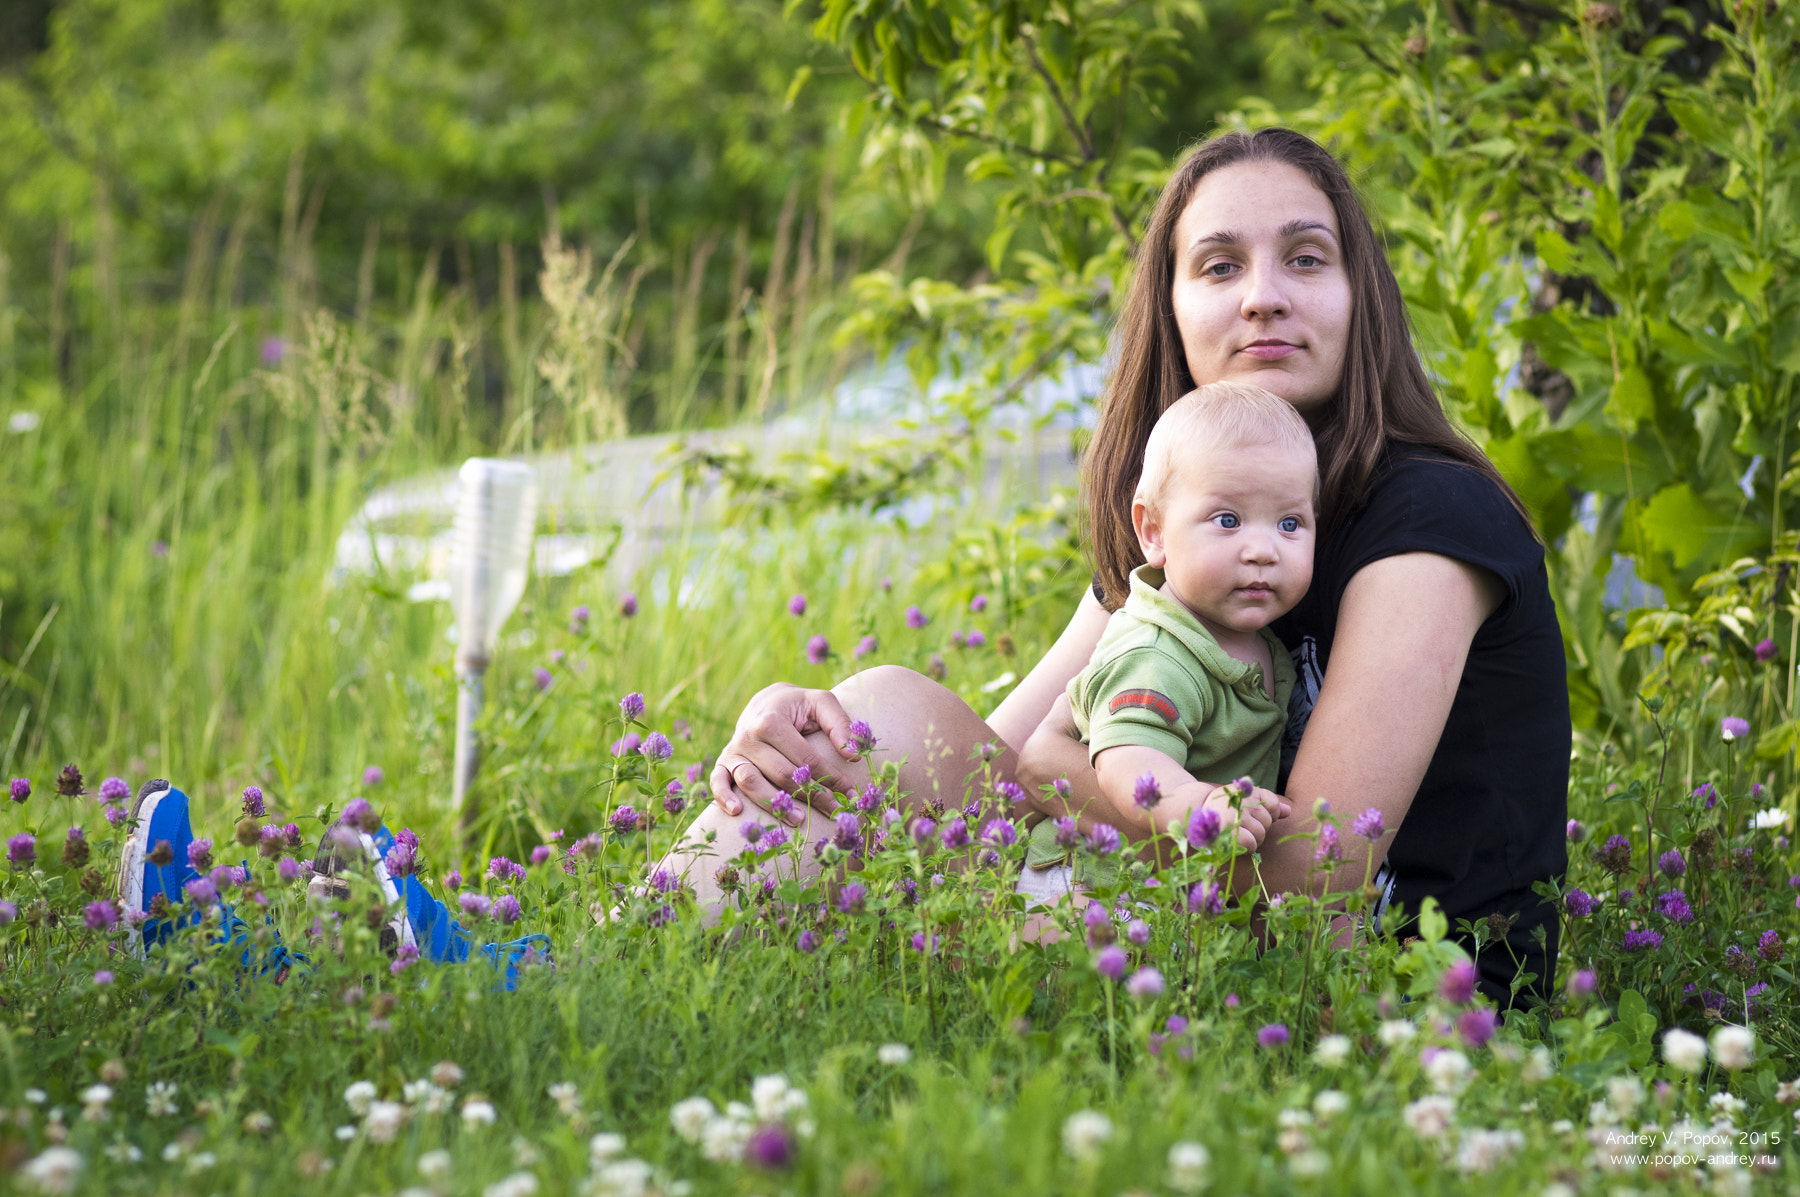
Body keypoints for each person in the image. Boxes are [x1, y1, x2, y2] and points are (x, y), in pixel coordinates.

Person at [670, 126, 1569, 1007]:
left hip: (1382, 997)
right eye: (1219, 266)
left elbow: (1306, 886)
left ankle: (634, 958)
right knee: (873, 716)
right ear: (1173, 311)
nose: (1262, 296)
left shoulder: (1431, 516)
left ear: (1357, 297)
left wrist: (1080, 786)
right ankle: (607, 949)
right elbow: (984, 760)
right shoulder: (1191, 534)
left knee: (906, 832)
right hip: (1199, 926)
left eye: (1305, 258)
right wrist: (794, 732)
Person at [1017, 381, 1309, 904]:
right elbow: (1128, 753)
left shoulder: (1246, 639)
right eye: (1228, 520)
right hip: (1090, 883)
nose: (1263, 550)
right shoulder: (1157, 652)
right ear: (1153, 532)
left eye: (1290, 523)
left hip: (1166, 886)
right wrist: (1194, 806)